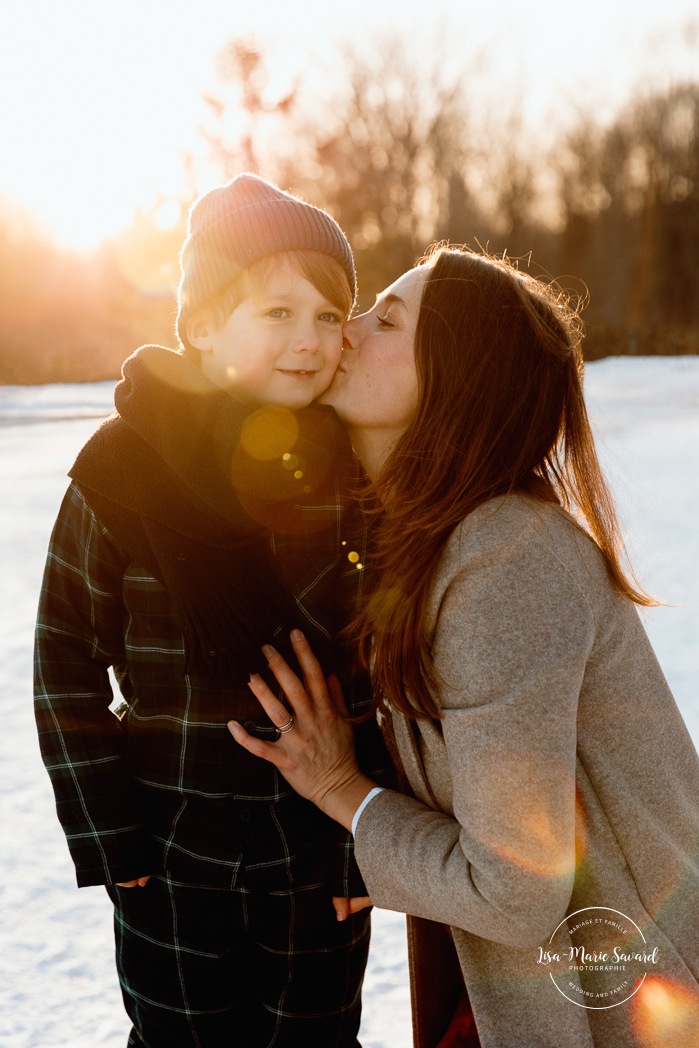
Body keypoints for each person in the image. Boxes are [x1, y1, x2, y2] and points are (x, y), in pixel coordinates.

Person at [228, 245, 699, 1047]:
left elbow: (517, 890)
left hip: (632, 1008)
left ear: (457, 381)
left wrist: (343, 788)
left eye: (387, 319)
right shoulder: (422, 543)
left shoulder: (506, 559)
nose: (347, 328)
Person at [34, 173, 390, 1048]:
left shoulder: (355, 473)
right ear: (199, 326)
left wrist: (366, 840)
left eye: (325, 315)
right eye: (276, 313)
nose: (308, 340)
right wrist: (116, 845)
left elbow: (388, 662)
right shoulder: (122, 469)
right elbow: (63, 661)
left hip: (317, 860)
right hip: (171, 853)